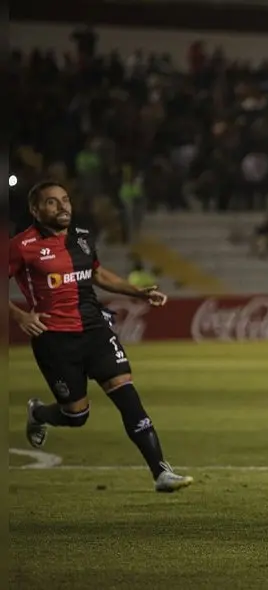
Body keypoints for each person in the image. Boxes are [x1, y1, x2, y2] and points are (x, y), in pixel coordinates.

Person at [8, 180, 192, 493]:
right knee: (76, 415)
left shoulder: (81, 238)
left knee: (128, 395)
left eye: (65, 199)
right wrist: (21, 315)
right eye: (52, 202)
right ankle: (38, 412)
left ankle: (161, 472)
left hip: (95, 330)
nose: (63, 206)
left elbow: (97, 274)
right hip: (54, 341)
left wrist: (138, 292)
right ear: (35, 209)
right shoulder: (21, 246)